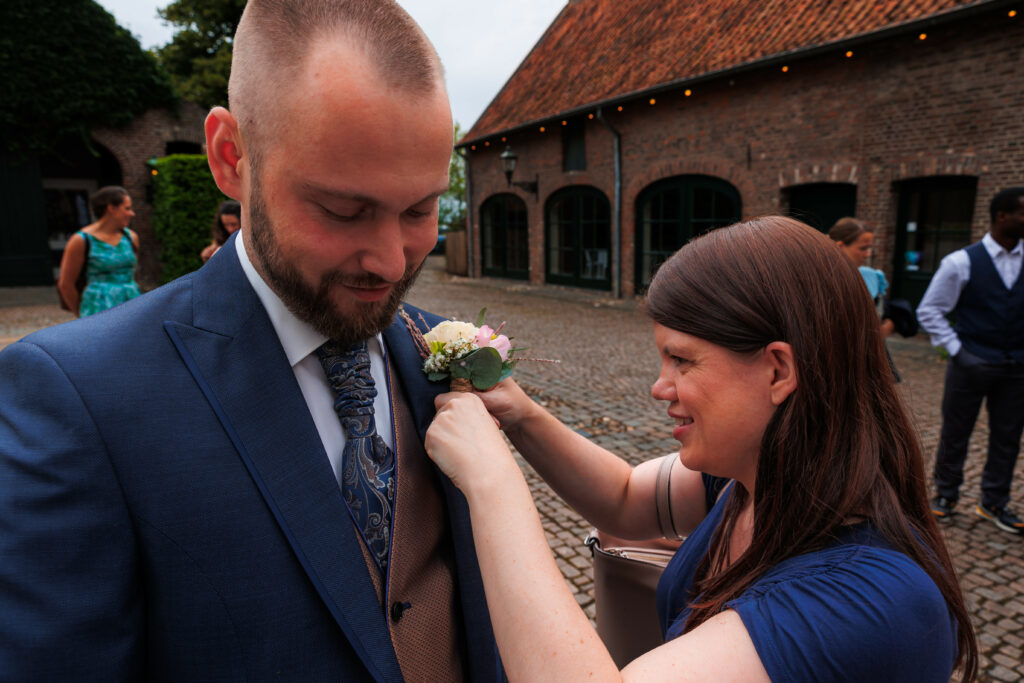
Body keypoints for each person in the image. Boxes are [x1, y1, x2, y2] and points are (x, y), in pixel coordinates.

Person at [0, 1, 502, 680]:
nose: (390, 261)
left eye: (420, 209)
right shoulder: (77, 397)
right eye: (343, 209)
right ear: (230, 157)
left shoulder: (430, 348)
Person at [426, 217, 977, 681]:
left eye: (682, 360)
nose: (659, 388)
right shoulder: (754, 479)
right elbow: (622, 500)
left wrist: (492, 484)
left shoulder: (871, 599)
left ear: (778, 370)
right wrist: (521, 415)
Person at [918, 187, 1024, 535]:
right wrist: (959, 352)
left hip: (1016, 367)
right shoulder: (961, 262)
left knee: (1008, 436)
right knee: (956, 430)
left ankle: (994, 502)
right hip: (970, 363)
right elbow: (930, 310)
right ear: (1002, 216)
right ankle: (945, 495)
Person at [56, 185, 141, 317]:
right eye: (127, 208)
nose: (132, 213)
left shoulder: (131, 237)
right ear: (111, 208)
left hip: (132, 304)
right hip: (98, 307)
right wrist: (81, 315)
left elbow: (133, 272)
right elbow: (65, 285)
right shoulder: (81, 240)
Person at [829, 217, 896, 336]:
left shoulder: (869, 276)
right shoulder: (821, 278)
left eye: (870, 248)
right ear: (840, 246)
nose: (868, 254)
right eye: (863, 248)